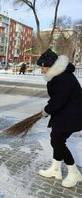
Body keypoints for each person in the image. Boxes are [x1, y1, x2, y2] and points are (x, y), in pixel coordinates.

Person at [37, 48, 82, 188]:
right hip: (65, 113)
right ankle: (55, 170)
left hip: (72, 115)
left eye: (43, 67)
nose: (41, 70)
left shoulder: (63, 78)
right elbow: (57, 99)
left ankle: (74, 173)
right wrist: (48, 109)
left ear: (49, 66)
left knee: (57, 141)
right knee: (56, 139)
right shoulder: (60, 75)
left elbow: (59, 100)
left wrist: (46, 111)